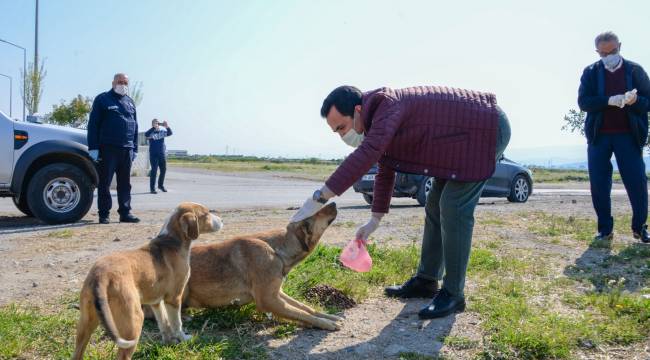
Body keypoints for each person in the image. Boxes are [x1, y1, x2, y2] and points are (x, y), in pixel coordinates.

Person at [291, 85, 510, 319]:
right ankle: (427, 281)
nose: (342, 135)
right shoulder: (377, 121)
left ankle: (454, 294)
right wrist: (373, 221)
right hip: (455, 140)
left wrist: (321, 196)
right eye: (336, 131)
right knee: (435, 203)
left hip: (486, 127)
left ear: (357, 110)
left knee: (453, 206)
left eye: (342, 127)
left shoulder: (386, 105)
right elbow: (386, 168)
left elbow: (368, 154)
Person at [578, 31, 650, 243]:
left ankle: (640, 228)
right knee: (599, 184)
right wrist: (609, 100)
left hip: (628, 135)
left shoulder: (635, 70)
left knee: (636, 182)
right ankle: (604, 230)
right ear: (597, 52)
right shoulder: (590, 72)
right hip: (599, 136)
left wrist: (634, 101)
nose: (609, 56)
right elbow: (583, 102)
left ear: (620, 46)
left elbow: (649, 101)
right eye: (603, 53)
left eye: (613, 51)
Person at [87, 73, 140, 224]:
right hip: (108, 149)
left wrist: (134, 148)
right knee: (105, 183)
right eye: (119, 81)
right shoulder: (102, 99)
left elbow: (135, 126)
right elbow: (93, 124)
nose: (122, 84)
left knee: (125, 184)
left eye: (125, 82)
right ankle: (104, 214)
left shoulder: (130, 102)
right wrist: (93, 147)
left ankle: (125, 212)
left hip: (127, 149)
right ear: (113, 83)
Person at [145, 118, 173, 193]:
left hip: (162, 154)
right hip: (153, 154)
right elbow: (146, 134)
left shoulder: (162, 131)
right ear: (152, 124)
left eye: (157, 123)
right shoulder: (150, 132)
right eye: (155, 123)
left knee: (163, 170)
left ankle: (160, 185)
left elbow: (170, 133)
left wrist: (166, 126)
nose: (157, 124)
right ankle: (152, 188)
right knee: (154, 171)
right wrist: (153, 127)